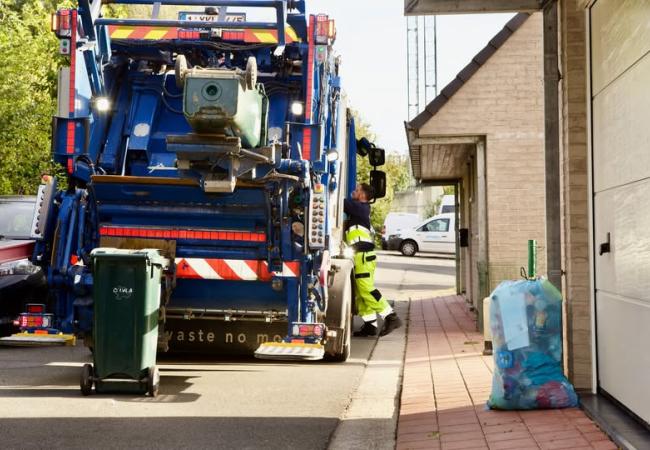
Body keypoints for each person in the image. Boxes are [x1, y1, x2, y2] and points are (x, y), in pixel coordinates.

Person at [344, 183, 402, 337]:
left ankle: (391, 316)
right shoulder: (360, 209)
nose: (353, 191)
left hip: (363, 256)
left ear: (362, 195)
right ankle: (370, 325)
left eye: (356, 190)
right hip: (361, 256)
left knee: (366, 290)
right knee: (361, 293)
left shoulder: (360, 207)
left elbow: (340, 203)